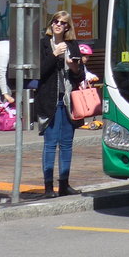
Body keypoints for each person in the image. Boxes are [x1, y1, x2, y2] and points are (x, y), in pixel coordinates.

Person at [35, 10, 86, 198]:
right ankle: (48, 187)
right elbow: (39, 72)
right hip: (49, 101)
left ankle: (64, 184)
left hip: (68, 102)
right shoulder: (43, 44)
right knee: (50, 144)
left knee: (66, 144)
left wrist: (74, 67)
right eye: (55, 21)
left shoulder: (72, 45)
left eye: (62, 22)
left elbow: (79, 75)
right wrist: (55, 54)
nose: (58, 24)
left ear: (67, 27)